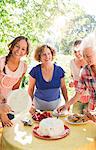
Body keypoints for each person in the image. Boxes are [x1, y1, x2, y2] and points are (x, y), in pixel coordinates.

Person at [57, 32, 96, 113]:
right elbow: (78, 94)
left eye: (88, 56)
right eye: (84, 56)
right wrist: (66, 105)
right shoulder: (85, 71)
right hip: (91, 111)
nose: (86, 59)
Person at [28, 44, 68, 114]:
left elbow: (63, 87)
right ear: (39, 56)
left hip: (56, 107)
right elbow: (30, 89)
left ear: (52, 55)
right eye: (44, 54)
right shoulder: (35, 70)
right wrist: (30, 105)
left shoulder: (59, 70)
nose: (47, 57)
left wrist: (67, 102)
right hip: (38, 108)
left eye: (49, 54)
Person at [0, 36, 29, 126]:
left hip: (8, 103)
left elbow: (15, 89)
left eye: (23, 49)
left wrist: (14, 104)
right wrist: (2, 113)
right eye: (17, 46)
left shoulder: (23, 67)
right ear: (12, 46)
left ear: (26, 52)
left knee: (9, 131)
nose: (19, 50)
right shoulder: (1, 62)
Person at [69, 40, 90, 114]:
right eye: (75, 51)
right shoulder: (72, 62)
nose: (77, 54)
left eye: (79, 51)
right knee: (75, 119)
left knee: (89, 122)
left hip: (90, 99)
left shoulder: (90, 61)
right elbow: (72, 76)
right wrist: (71, 81)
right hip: (77, 98)